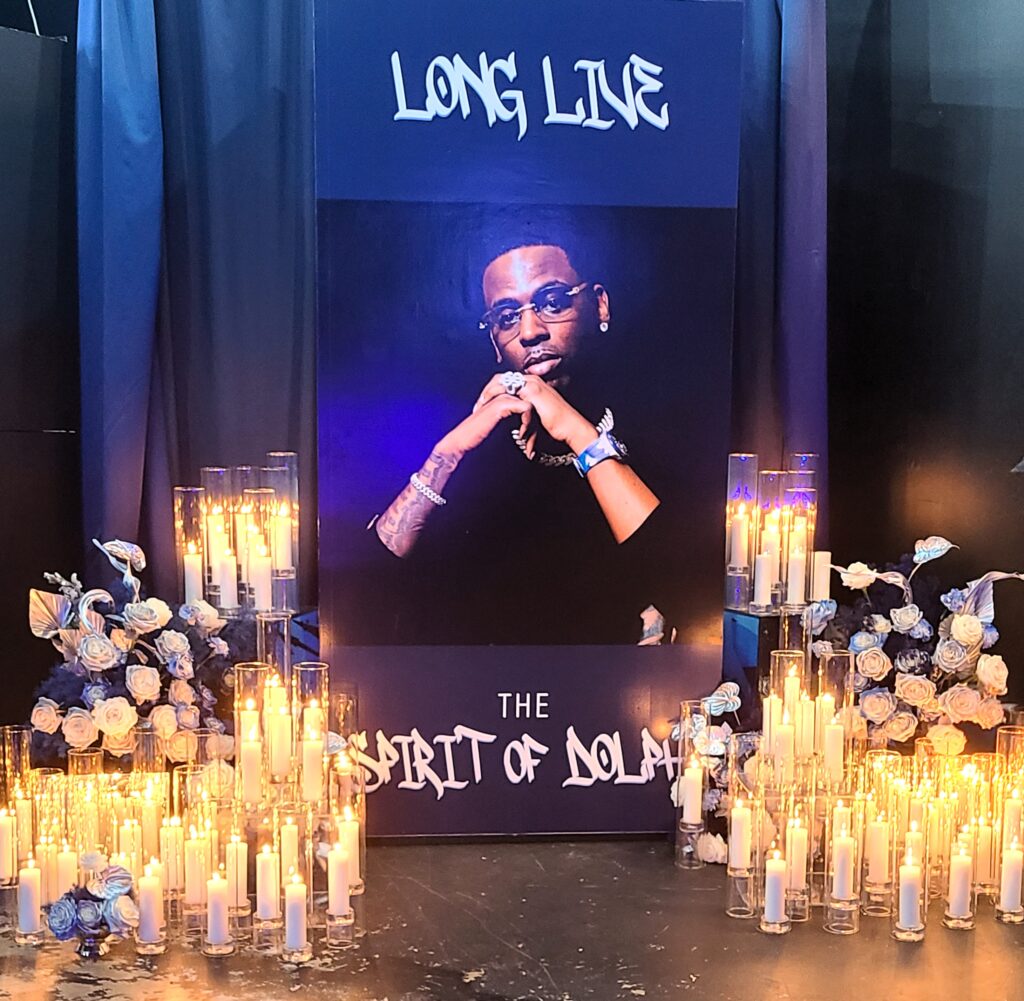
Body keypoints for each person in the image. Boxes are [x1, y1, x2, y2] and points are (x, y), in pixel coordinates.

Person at [353, 230, 692, 646]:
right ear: (494, 340)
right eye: (507, 316)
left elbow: (683, 586)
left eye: (553, 302)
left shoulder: (664, 426)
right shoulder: (460, 431)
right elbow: (361, 599)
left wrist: (574, 429)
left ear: (599, 305)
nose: (529, 331)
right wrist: (448, 454)